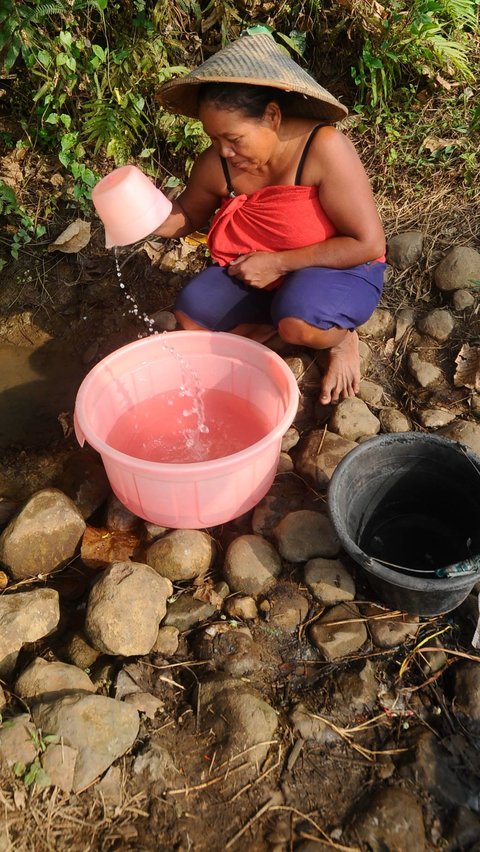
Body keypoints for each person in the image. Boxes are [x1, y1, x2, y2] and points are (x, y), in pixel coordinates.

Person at [152, 33, 386, 404]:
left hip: (339, 265)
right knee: (192, 315)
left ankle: (341, 338)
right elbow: (187, 215)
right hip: (263, 271)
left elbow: (368, 243)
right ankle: (276, 324)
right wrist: (146, 214)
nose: (224, 151)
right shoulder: (218, 164)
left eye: (233, 138)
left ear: (272, 117)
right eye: (213, 139)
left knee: (298, 322)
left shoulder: (322, 148)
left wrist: (278, 262)